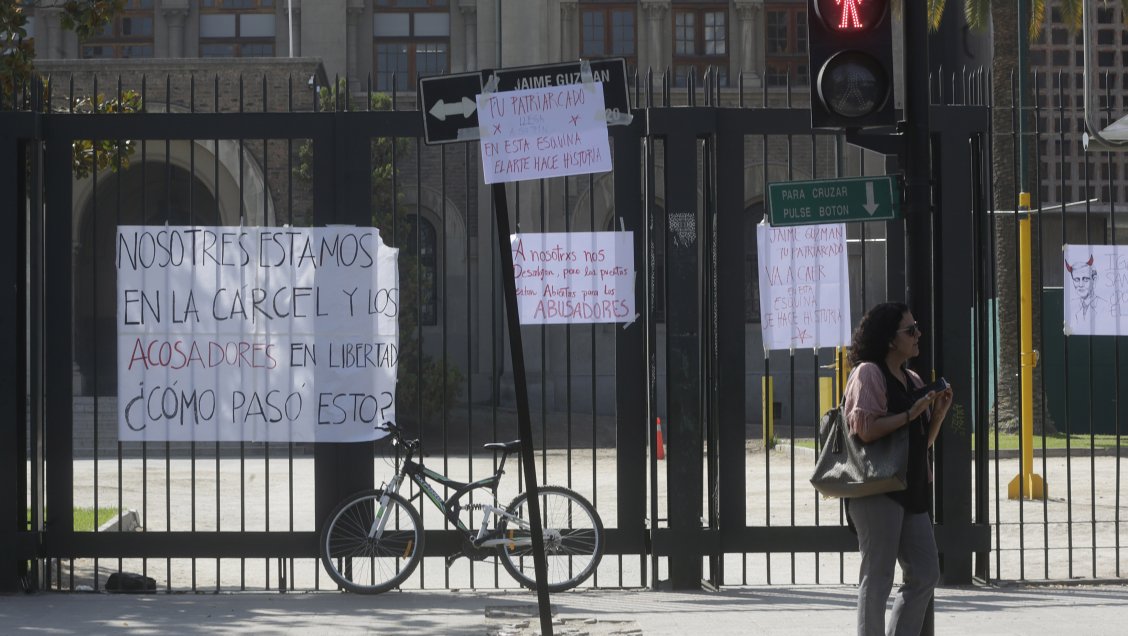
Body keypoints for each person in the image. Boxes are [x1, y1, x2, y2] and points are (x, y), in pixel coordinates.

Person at [843, 302, 954, 636]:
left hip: (912, 487)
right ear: (891, 340)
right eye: (910, 330)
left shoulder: (912, 378)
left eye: (916, 327)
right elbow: (864, 429)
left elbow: (919, 443)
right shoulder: (868, 373)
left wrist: (935, 415)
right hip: (877, 489)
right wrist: (909, 414)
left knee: (924, 572)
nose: (918, 334)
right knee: (877, 578)